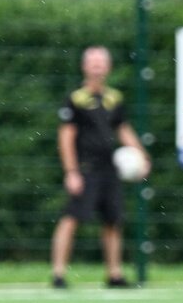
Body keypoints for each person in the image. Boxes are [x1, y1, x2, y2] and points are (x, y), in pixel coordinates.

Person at [51, 45, 150, 289]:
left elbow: (123, 130)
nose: (97, 67)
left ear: (108, 67)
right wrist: (71, 172)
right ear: (84, 67)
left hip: (110, 168)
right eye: (93, 62)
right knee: (71, 218)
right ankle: (58, 274)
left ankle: (114, 274)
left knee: (113, 221)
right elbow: (66, 136)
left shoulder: (114, 98)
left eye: (101, 63)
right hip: (85, 168)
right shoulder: (75, 99)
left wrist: (142, 156)